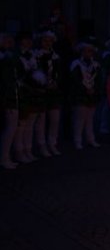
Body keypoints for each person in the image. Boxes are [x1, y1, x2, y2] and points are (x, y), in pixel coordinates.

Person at [33, 27, 62, 156]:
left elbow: (59, 72)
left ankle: (52, 143)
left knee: (55, 118)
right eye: (45, 40)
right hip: (40, 91)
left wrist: (56, 82)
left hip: (53, 91)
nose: (47, 43)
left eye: (50, 41)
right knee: (41, 119)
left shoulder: (56, 57)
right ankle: (41, 145)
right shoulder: (36, 55)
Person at [69, 38, 101, 150]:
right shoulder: (76, 64)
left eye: (90, 51)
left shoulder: (95, 65)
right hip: (80, 95)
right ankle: (77, 140)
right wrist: (84, 89)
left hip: (91, 95)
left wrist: (94, 89)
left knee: (90, 118)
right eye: (86, 51)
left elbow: (98, 80)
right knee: (79, 119)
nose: (88, 53)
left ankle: (90, 139)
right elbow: (75, 80)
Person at [13, 31, 39, 162]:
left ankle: (28, 149)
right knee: (21, 124)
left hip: (32, 92)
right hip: (22, 92)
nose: (28, 42)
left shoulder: (33, 56)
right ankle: (19, 150)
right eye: (25, 40)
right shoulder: (16, 57)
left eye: (29, 40)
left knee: (30, 123)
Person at [1, 32, 20, 170]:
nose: (10, 43)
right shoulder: (4, 60)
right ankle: (4, 157)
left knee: (11, 127)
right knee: (9, 127)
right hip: (6, 97)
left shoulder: (9, 57)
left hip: (12, 95)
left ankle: (6, 156)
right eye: (6, 41)